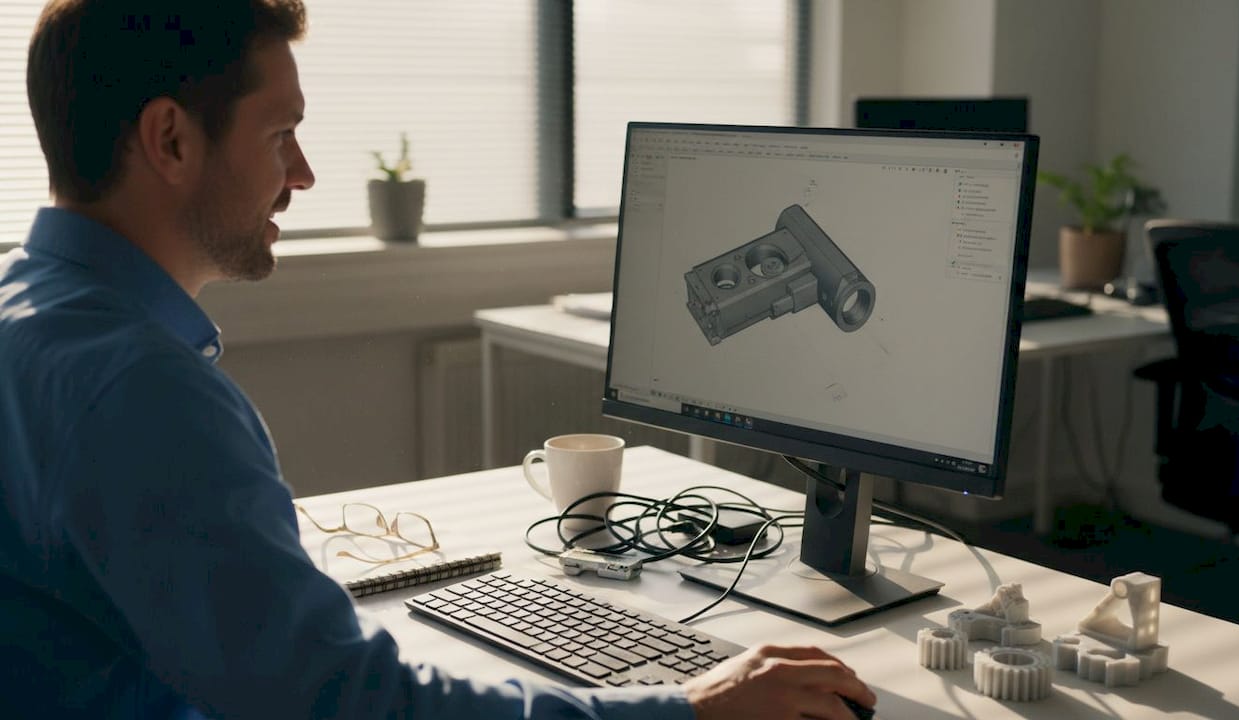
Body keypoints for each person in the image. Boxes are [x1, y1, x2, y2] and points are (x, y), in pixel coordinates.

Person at [0, 2, 878, 718]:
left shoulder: (30, 318)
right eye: (280, 134)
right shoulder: (142, 393)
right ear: (172, 140)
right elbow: (349, 706)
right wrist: (688, 709)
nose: (301, 174)